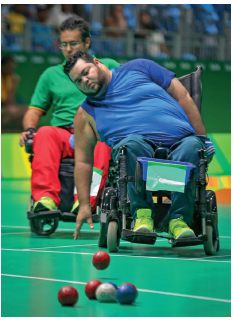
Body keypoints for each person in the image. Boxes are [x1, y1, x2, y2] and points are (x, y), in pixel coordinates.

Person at [64, 51, 215, 240]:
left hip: (182, 144)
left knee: (192, 146)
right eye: (78, 81)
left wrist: (202, 138)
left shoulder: (140, 67)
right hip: (135, 154)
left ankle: (179, 221)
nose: (84, 80)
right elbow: (84, 162)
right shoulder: (85, 114)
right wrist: (85, 205)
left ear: (97, 62)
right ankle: (142, 217)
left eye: (86, 72)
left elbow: (183, 95)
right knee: (130, 145)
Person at [19, 16, 120, 216]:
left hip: (95, 132)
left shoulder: (106, 64)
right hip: (64, 134)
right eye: (63, 44)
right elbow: (34, 110)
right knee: (44, 132)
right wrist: (30, 129)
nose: (68, 49)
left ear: (87, 42)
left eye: (73, 43)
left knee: (102, 141)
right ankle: (45, 199)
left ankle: (83, 202)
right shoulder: (50, 74)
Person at [1, 55, 27, 132]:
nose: (12, 70)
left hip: (5, 107)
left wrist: (13, 85)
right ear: (3, 66)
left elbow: (10, 101)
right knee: (11, 112)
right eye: (9, 67)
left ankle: (19, 137)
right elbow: (4, 101)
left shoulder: (9, 78)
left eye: (13, 68)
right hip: (3, 107)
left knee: (28, 111)